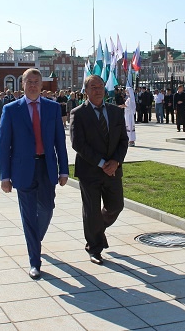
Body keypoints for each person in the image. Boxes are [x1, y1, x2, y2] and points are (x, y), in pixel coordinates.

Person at [0, 68, 69, 279]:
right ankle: (34, 262)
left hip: (46, 167)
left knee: (47, 208)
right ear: (22, 84)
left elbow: (60, 142)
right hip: (22, 170)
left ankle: (35, 240)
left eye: (36, 82)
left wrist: (64, 170)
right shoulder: (11, 110)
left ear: (41, 85)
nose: (33, 85)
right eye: (29, 81)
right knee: (28, 216)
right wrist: (4, 177)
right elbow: (4, 146)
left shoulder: (53, 108)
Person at [70, 75, 129, 265]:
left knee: (116, 206)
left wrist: (115, 162)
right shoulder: (78, 113)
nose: (98, 90)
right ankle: (94, 248)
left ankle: (97, 229)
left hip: (113, 170)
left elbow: (123, 140)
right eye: (93, 87)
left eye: (101, 86)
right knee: (92, 211)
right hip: (90, 170)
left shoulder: (115, 112)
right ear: (86, 91)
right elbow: (78, 144)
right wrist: (102, 163)